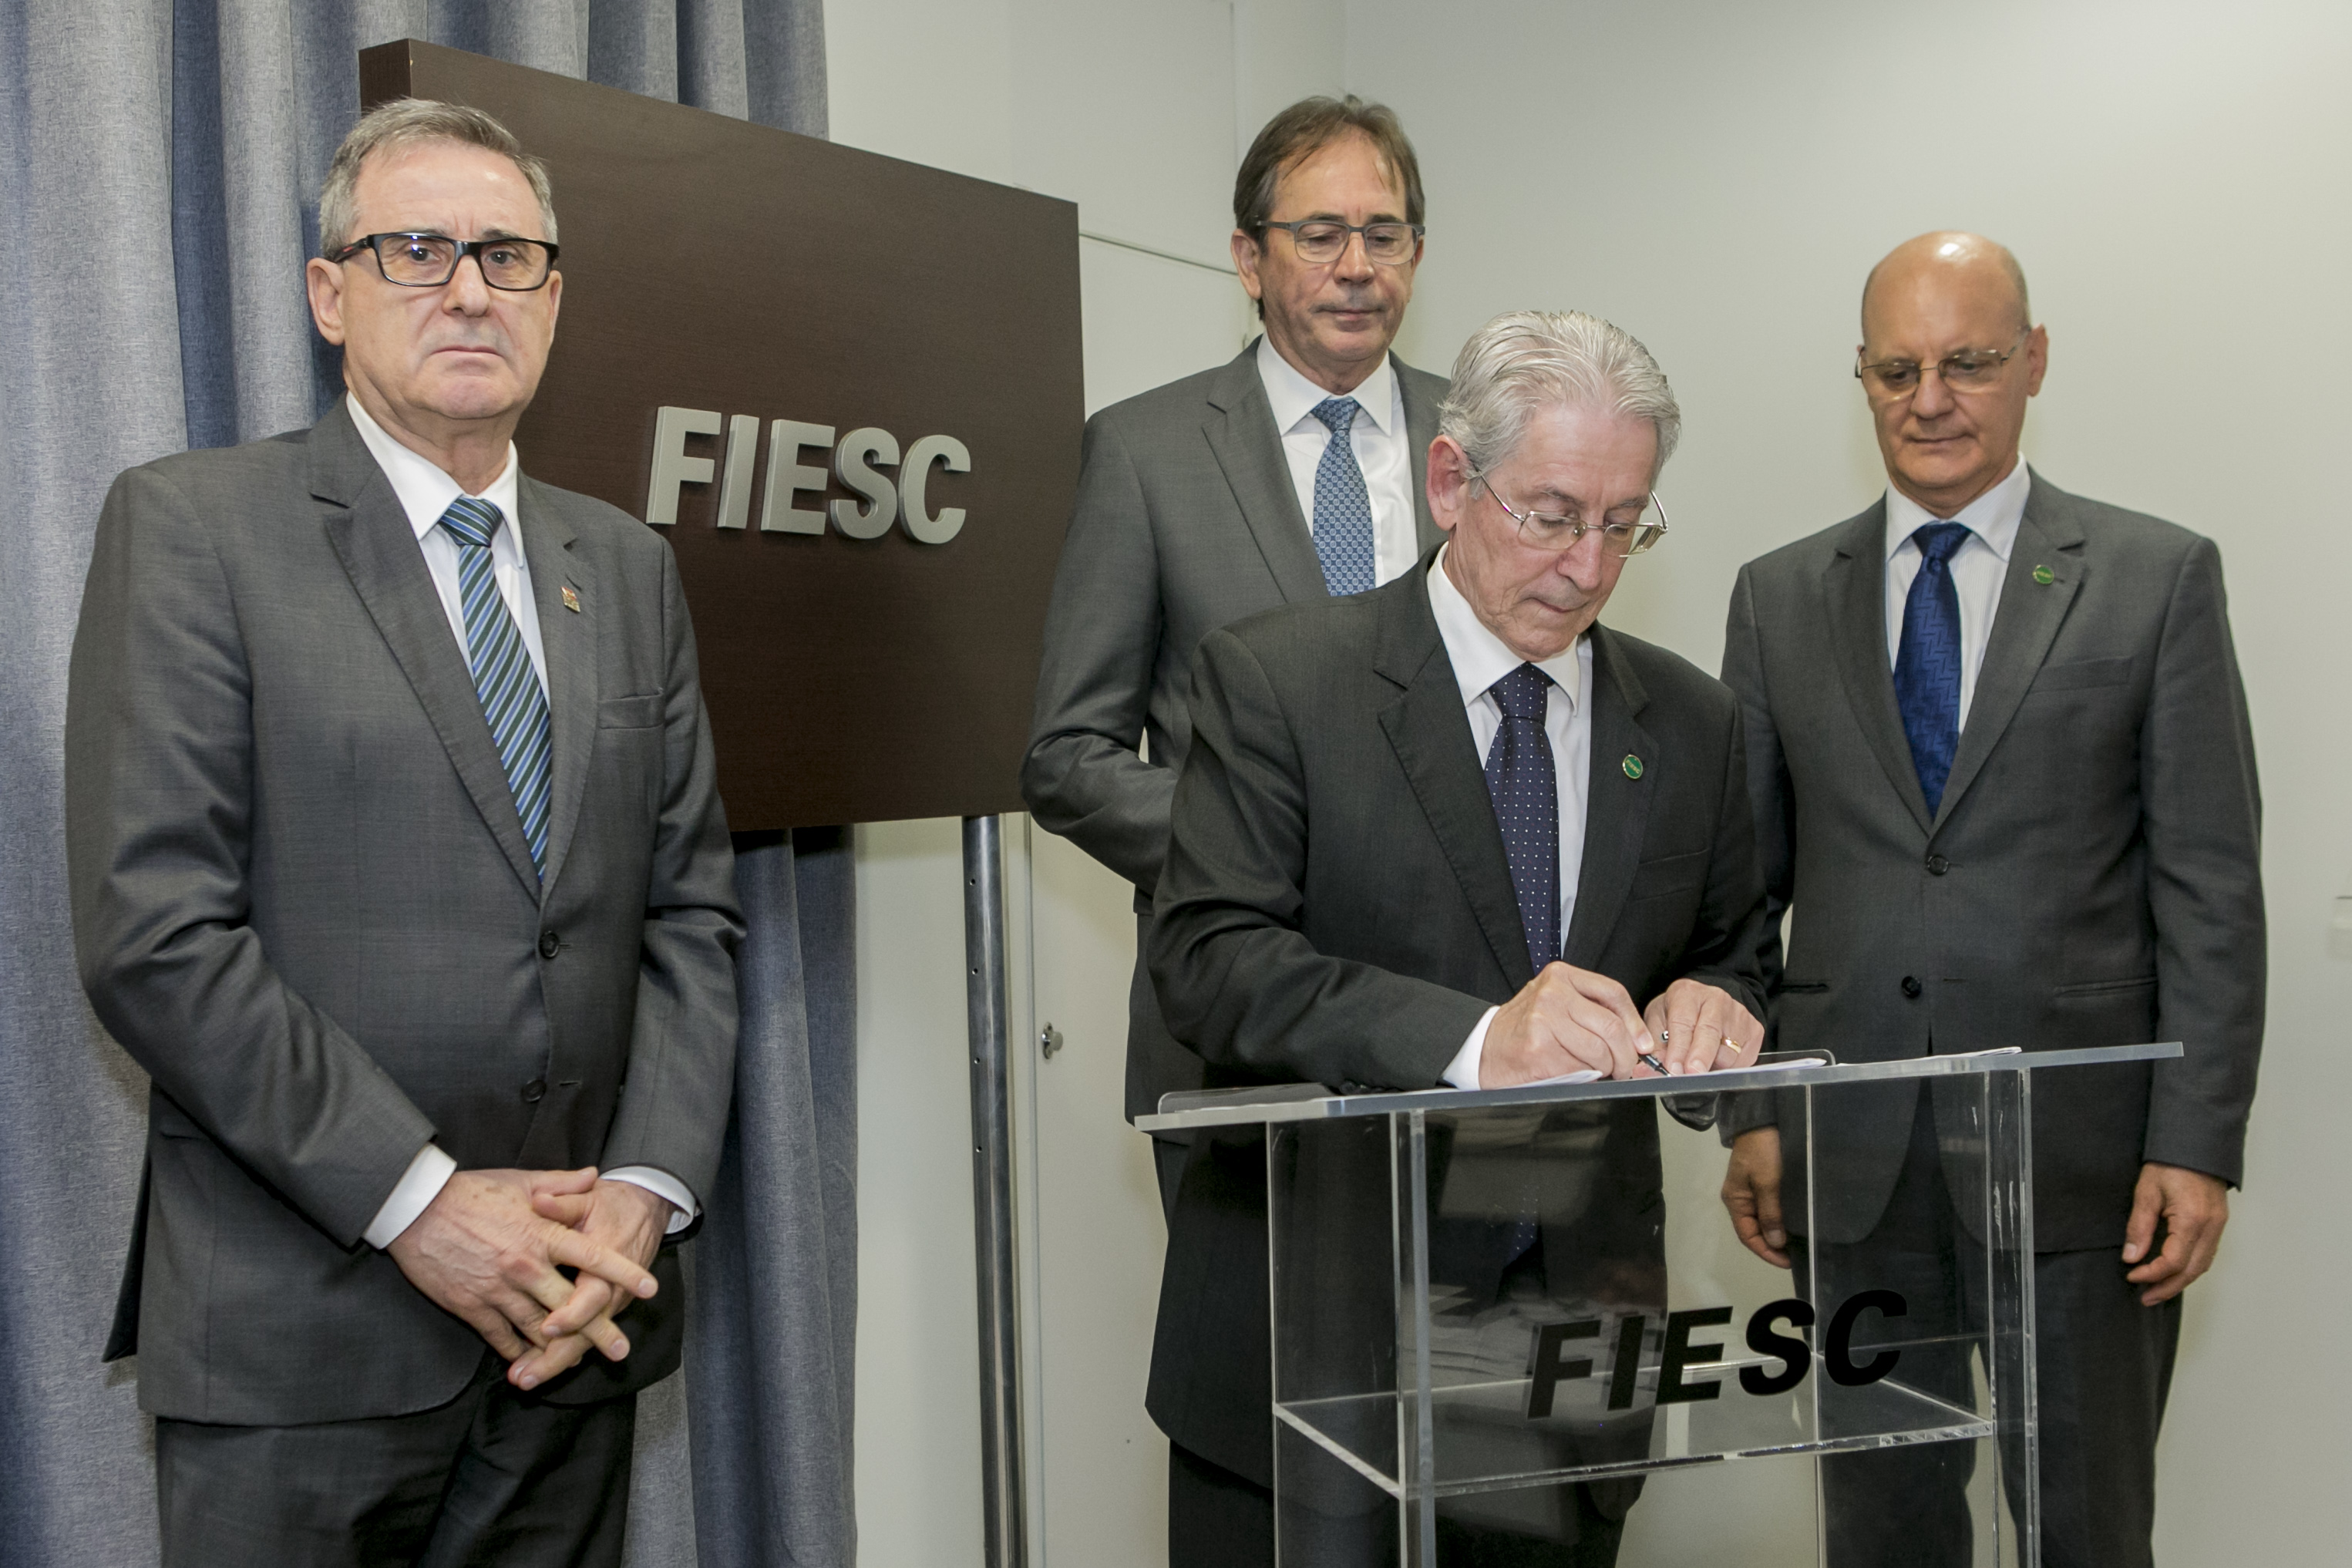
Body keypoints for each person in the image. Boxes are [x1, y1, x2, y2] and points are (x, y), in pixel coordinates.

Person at [65, 99, 742, 1566]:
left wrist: (645, 1192)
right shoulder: (194, 528)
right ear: (330, 294)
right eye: (417, 249)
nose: (470, 289)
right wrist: (420, 1203)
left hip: (572, 1329)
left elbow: (689, 912)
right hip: (303, 1345)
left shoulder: (627, 566)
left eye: (509, 255)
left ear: (553, 296)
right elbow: (155, 936)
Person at [1146, 310, 1770, 1566]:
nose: (1587, 566)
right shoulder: (1281, 682)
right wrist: (1478, 1040)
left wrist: (1717, 997)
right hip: (1316, 1341)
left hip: (1569, 1357)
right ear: (1449, 481)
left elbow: (1733, 941)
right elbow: (1210, 962)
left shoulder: (1693, 722)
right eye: (1551, 514)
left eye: (1624, 523)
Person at [1716, 232, 2264, 1567]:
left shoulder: (2155, 576)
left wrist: (2196, 1140)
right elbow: (1740, 890)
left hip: (2083, 1165)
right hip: (1850, 1162)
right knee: (1881, 1528)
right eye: (1896, 370)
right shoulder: (1780, 597)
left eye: (1966, 361)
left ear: (2034, 361)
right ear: (1861, 377)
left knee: (2085, 1526)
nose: (1931, 399)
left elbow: (2210, 886)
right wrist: (1755, 1107)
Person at [1022, 95, 1448, 1218]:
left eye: (1384, 233)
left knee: (1479, 1331)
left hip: (1471, 1019)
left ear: (1416, 253)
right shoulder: (1145, 452)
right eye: (1319, 234)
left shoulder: (1486, 443)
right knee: (1258, 1336)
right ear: (1249, 259)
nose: (1355, 266)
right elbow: (1068, 758)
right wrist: (1263, 845)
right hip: (1238, 1029)